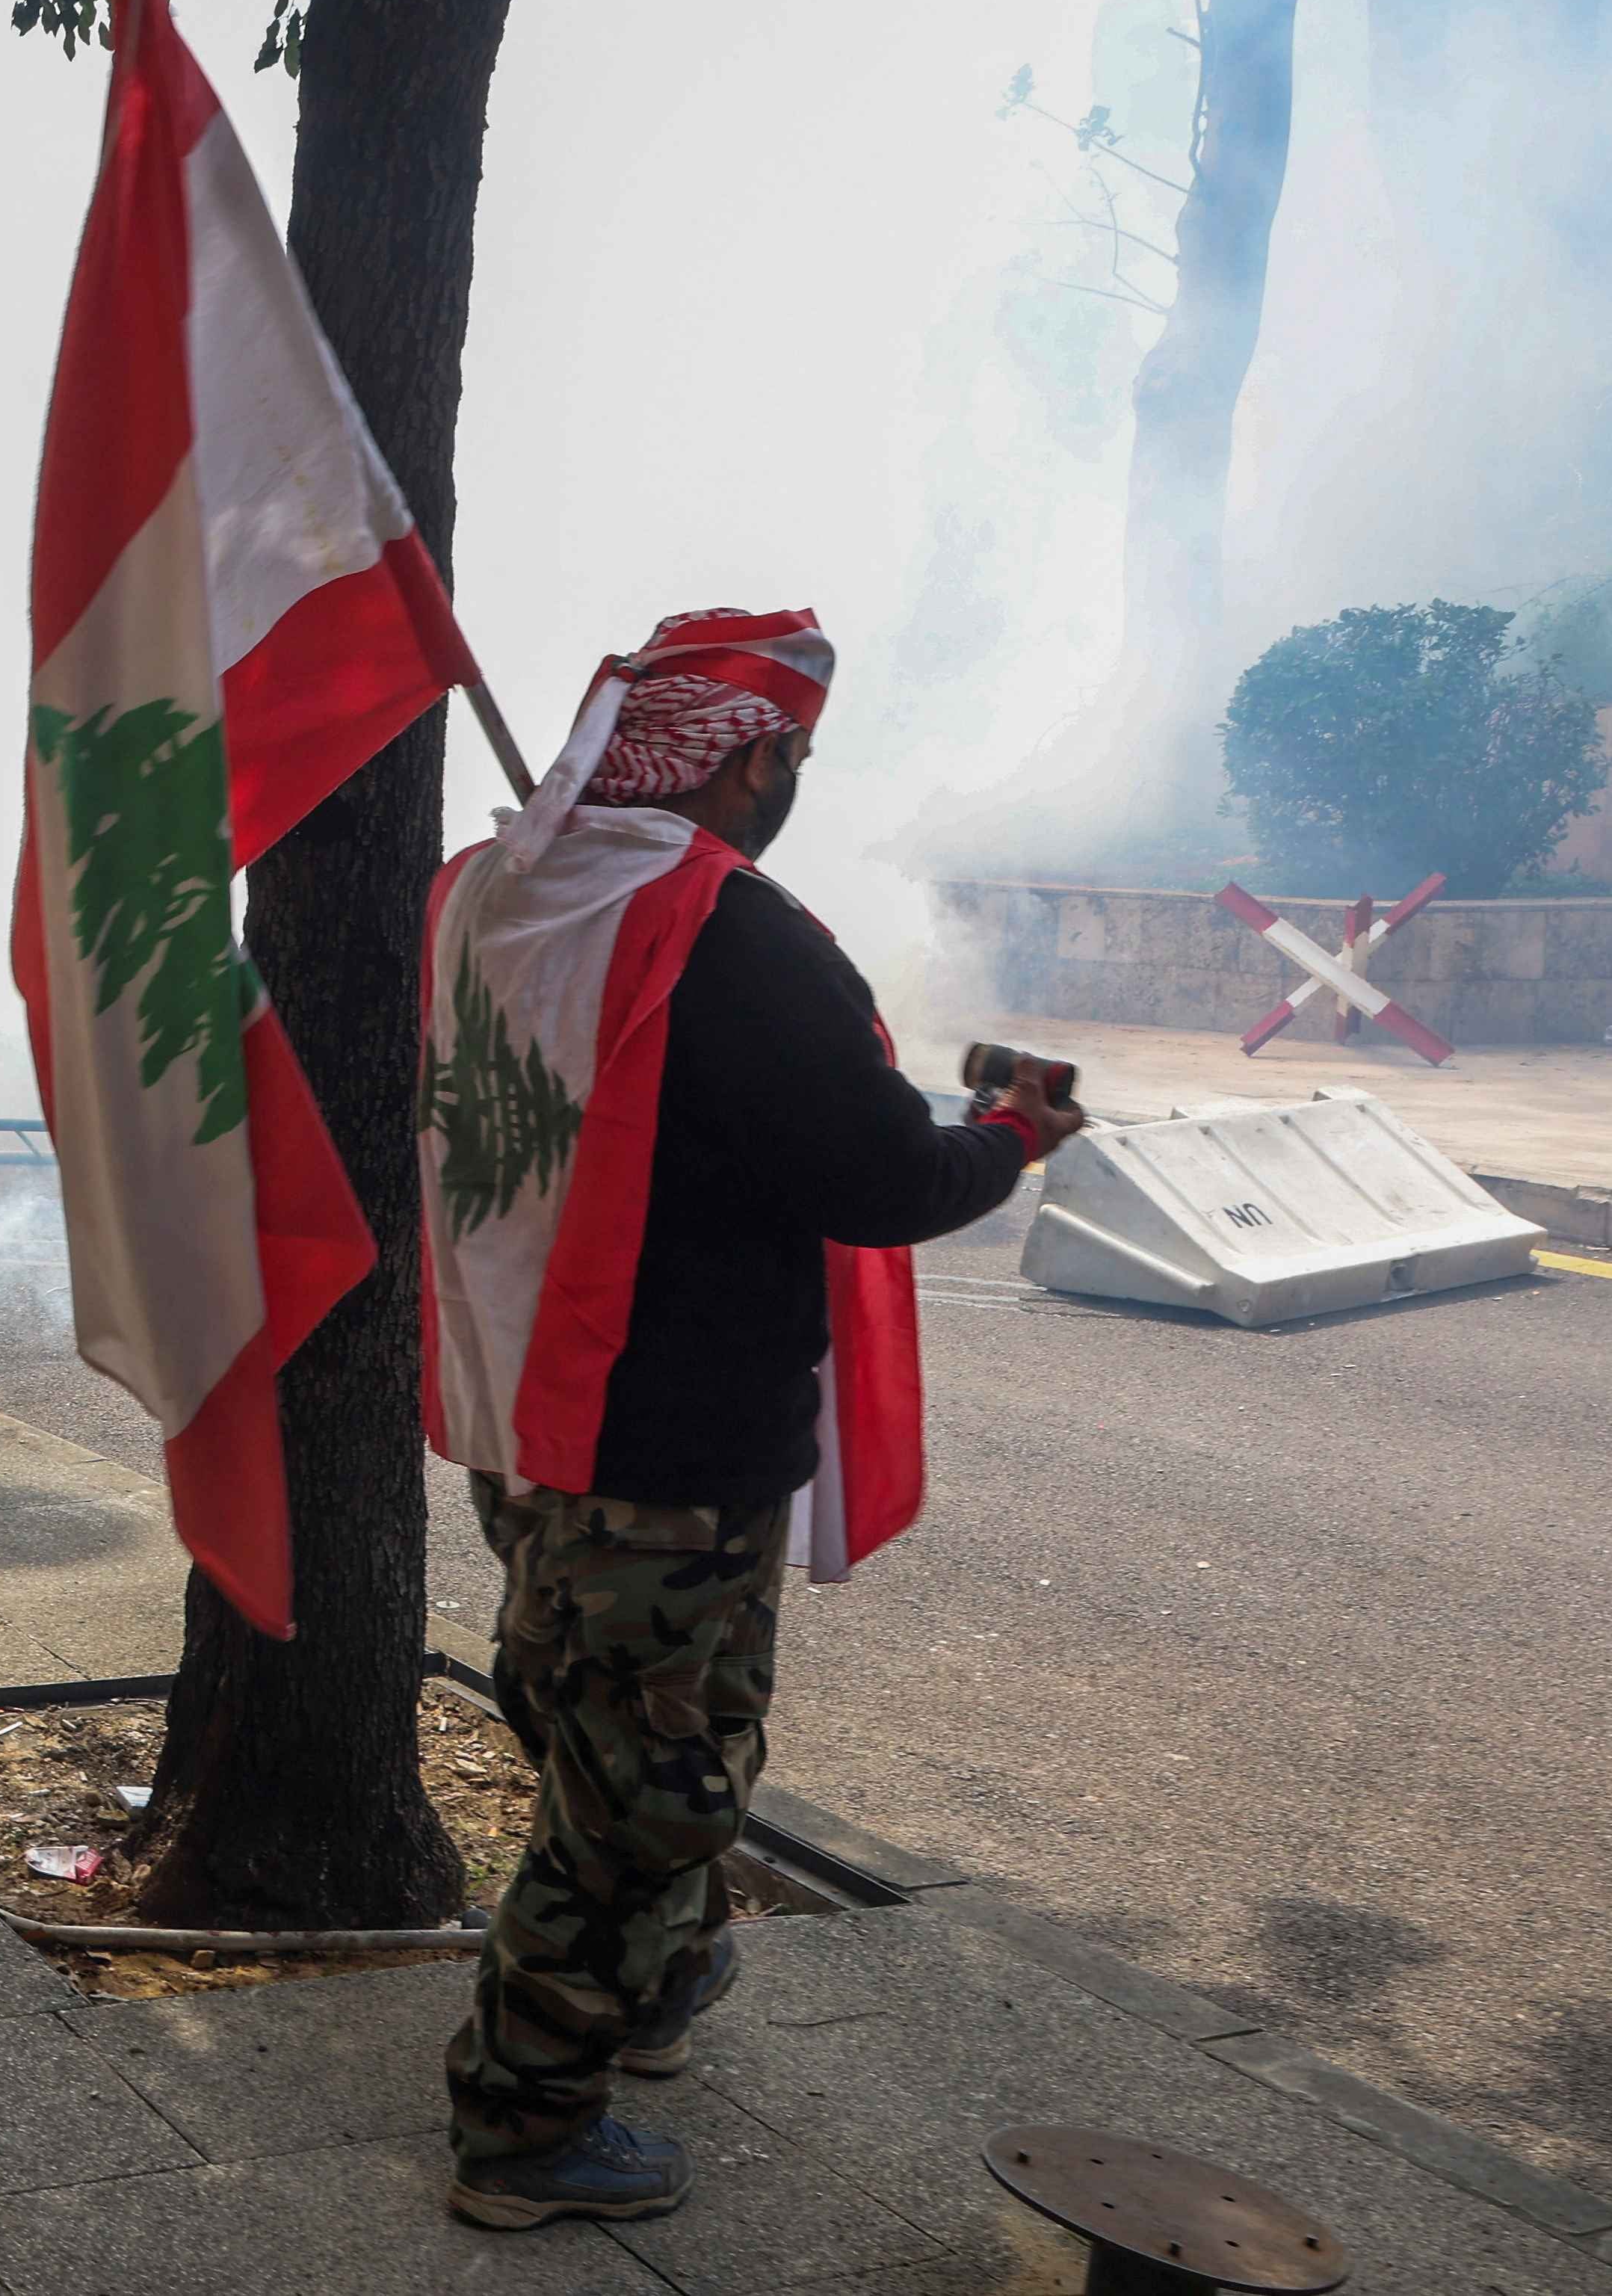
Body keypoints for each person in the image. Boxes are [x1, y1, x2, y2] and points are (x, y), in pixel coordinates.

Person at [413, 607, 1084, 2233]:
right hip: (674, 1437)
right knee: (646, 1778)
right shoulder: (728, 928)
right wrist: (1015, 1132)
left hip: (532, 1405)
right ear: (747, 758)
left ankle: (646, 1987)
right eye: (793, 756)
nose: (794, 783)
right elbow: (878, 1177)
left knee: (646, 1716)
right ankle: (524, 2118)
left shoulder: (486, 887)